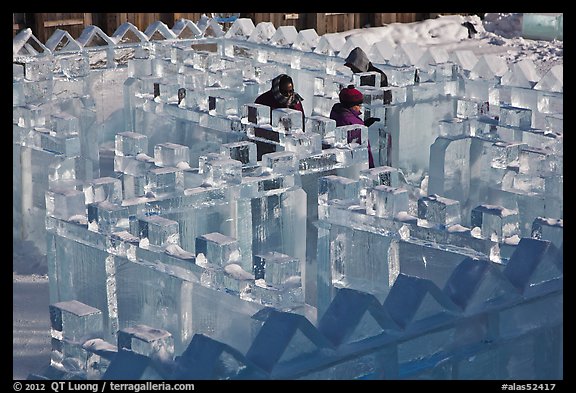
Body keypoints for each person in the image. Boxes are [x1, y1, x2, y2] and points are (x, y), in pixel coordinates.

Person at [330, 85, 379, 169]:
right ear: (352, 105)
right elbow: (362, 147)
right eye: (359, 105)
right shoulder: (351, 121)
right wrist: (371, 167)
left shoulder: (338, 111)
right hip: (357, 166)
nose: (360, 107)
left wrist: (363, 124)